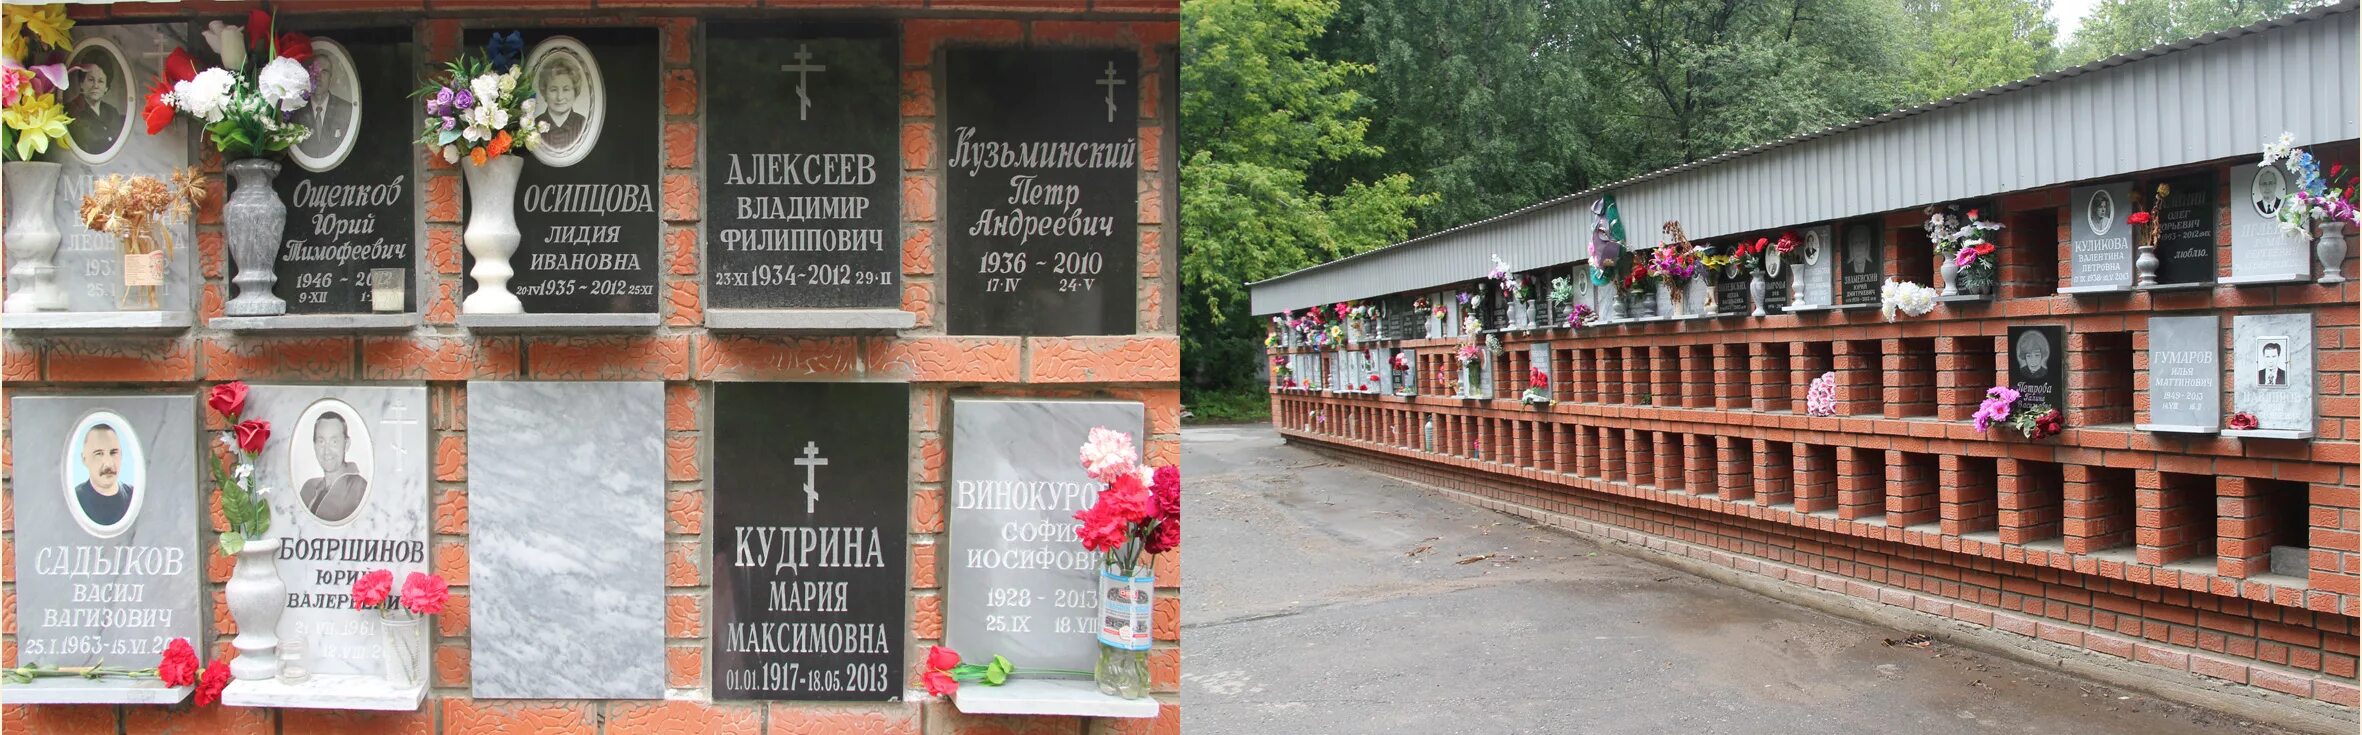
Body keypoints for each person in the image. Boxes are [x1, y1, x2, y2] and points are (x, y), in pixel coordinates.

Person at [300, 413, 369, 522]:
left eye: (334, 442)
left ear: (346, 444)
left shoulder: (359, 489)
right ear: (314, 446)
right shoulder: (308, 489)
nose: (327, 451)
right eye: (321, 441)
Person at [296, 53, 354, 164]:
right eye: (315, 71)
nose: (318, 77)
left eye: (324, 72)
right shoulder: (296, 111)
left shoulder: (346, 111)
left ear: (330, 77)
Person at [74, 424, 133, 527]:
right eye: (99, 454)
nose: (108, 463)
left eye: (113, 452)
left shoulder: (133, 496)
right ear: (84, 459)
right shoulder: (75, 500)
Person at [64, 61, 121, 154]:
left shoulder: (112, 112)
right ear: (81, 83)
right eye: (91, 80)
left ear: (106, 87)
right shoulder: (70, 111)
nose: (96, 86)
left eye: (101, 81)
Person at [536, 59, 586, 151]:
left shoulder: (583, 123)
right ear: (544, 92)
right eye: (553, 89)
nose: (559, 97)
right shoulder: (534, 125)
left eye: (566, 89)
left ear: (575, 92)